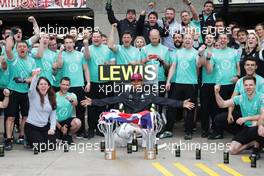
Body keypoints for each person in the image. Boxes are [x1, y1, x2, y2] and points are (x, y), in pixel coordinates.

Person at [80, 73, 194, 115]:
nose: (136, 83)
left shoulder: (148, 95)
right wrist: (93, 101)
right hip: (129, 122)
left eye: (138, 81)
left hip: (143, 123)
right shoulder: (125, 94)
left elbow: (164, 101)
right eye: (134, 81)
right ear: (131, 82)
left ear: (142, 82)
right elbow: (110, 100)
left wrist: (181, 104)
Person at [164, 34, 202, 140]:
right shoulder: (178, 52)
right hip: (178, 83)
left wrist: (200, 54)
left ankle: (189, 131)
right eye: (185, 38)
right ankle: (168, 130)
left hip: (191, 84)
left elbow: (199, 65)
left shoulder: (196, 53)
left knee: (190, 108)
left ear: (192, 40)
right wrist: (168, 81)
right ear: (183, 40)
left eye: (190, 38)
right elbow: (173, 67)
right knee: (172, 106)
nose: (187, 40)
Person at [214, 76, 263, 155]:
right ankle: (252, 143)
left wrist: (246, 118)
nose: (248, 87)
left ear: (255, 86)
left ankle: (258, 144)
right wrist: (216, 93)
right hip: (247, 128)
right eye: (246, 85)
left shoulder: (261, 97)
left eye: (250, 85)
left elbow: (262, 115)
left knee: (254, 123)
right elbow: (222, 104)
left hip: (259, 128)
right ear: (243, 86)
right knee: (232, 150)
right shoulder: (240, 98)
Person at [4, 36, 36, 150]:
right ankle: (8, 139)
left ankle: (22, 136)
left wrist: (24, 80)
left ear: (28, 49)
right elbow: (8, 50)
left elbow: (33, 77)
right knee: (11, 117)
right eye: (20, 46)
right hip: (13, 91)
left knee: (25, 116)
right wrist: (9, 38)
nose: (22, 48)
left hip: (25, 93)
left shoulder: (32, 61)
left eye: (24, 46)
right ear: (16, 49)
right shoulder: (13, 58)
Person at [56, 34, 90, 139]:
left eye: (70, 42)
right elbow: (59, 65)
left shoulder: (80, 55)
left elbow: (85, 69)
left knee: (80, 109)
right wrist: (60, 52)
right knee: (63, 107)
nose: (69, 45)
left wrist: (88, 82)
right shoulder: (61, 54)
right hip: (66, 87)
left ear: (74, 43)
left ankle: (81, 131)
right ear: (64, 44)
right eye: (66, 43)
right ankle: (62, 129)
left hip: (79, 85)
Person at [84, 31, 115, 138]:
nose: (96, 39)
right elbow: (87, 58)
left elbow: (113, 62)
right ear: (91, 38)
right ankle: (91, 129)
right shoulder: (87, 48)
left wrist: (109, 64)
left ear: (102, 38)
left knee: (102, 106)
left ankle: (100, 128)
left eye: (98, 37)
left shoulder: (107, 49)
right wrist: (86, 44)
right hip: (92, 82)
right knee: (91, 107)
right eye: (94, 37)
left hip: (105, 82)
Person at [24, 70, 57, 152]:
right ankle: (30, 140)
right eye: (41, 84)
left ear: (48, 86)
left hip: (44, 127)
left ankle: (38, 140)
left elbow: (53, 115)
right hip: (32, 127)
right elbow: (32, 87)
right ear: (37, 86)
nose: (43, 86)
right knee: (43, 148)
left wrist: (52, 128)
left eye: (45, 84)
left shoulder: (52, 98)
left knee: (52, 146)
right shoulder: (33, 96)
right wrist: (36, 75)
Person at [56, 77, 81, 144]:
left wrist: (70, 100)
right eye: (63, 84)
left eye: (67, 85)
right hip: (56, 122)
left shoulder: (72, 95)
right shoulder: (54, 96)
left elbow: (75, 104)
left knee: (77, 122)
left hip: (67, 121)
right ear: (59, 84)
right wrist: (60, 127)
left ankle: (68, 135)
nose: (65, 87)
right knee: (54, 141)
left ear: (69, 86)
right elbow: (50, 116)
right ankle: (61, 135)